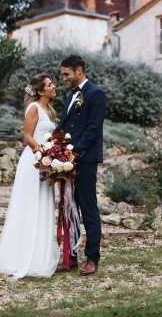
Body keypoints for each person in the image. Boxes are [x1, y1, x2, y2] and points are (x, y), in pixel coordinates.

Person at [0, 74, 60, 279]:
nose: (54, 86)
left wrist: (54, 154)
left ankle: (40, 255)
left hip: (46, 163)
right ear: (40, 90)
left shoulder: (50, 109)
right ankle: (20, 256)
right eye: (49, 84)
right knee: (29, 206)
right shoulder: (34, 108)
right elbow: (27, 135)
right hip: (33, 162)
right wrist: (43, 153)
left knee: (43, 205)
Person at [59, 55, 106, 276]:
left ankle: (92, 258)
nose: (64, 78)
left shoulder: (96, 94)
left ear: (79, 71)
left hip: (85, 160)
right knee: (70, 208)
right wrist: (56, 150)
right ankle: (72, 255)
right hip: (66, 161)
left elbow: (93, 129)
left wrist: (75, 153)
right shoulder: (69, 96)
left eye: (66, 74)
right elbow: (66, 126)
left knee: (87, 208)